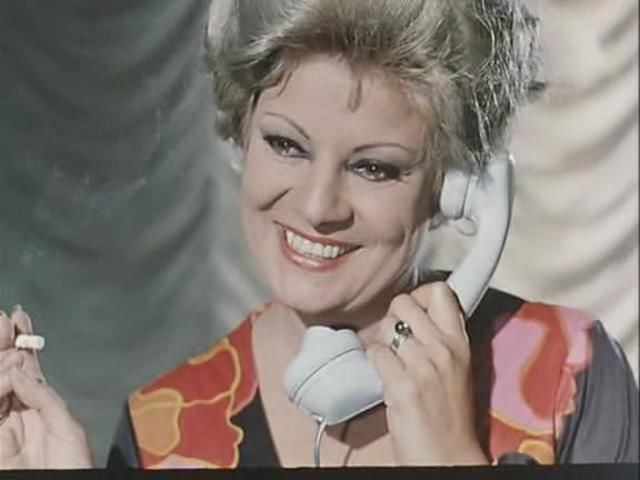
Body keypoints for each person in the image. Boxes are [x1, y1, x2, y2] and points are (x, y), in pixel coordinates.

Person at [0, 0, 637, 469]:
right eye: (286, 145)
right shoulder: (162, 429)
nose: (316, 206)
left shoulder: (568, 377)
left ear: (455, 189)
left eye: (373, 167)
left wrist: (449, 457)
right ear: (242, 134)